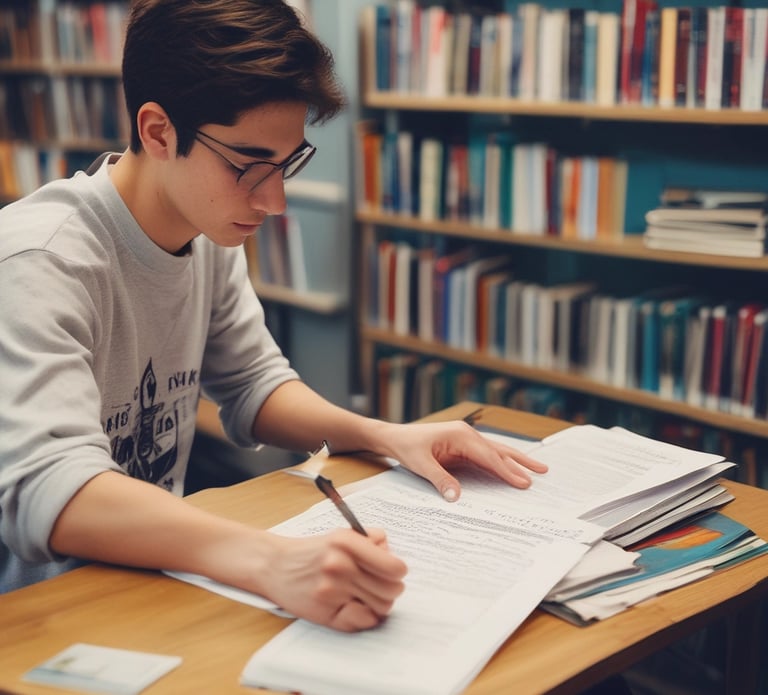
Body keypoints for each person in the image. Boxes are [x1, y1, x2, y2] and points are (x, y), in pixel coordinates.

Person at [0, 0, 547, 632]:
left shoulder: (205, 230)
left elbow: (254, 386)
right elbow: (49, 491)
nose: (275, 199)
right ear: (157, 131)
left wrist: (385, 437)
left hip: (161, 580)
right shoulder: (38, 259)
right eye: (248, 165)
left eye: (287, 163)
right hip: (43, 622)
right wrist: (269, 561)